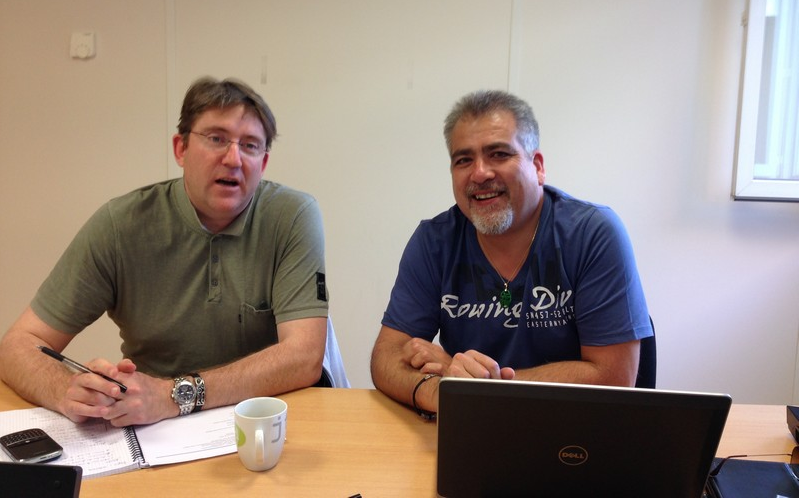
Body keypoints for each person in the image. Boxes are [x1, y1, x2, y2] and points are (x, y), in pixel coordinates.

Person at [0, 77, 330, 426]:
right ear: (181, 149)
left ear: (262, 164)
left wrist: (174, 395)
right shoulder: (121, 225)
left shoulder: (292, 216)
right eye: (216, 138)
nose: (234, 158)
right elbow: (18, 344)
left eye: (250, 146)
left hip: (266, 420)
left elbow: (304, 357)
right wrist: (66, 390)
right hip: (155, 430)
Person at [370, 89, 654, 418]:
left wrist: (479, 387)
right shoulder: (434, 242)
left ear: (538, 167)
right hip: (473, 426)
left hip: (573, 428)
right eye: (463, 160)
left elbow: (613, 377)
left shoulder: (593, 234)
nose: (480, 173)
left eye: (499, 154)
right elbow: (386, 358)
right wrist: (437, 390)